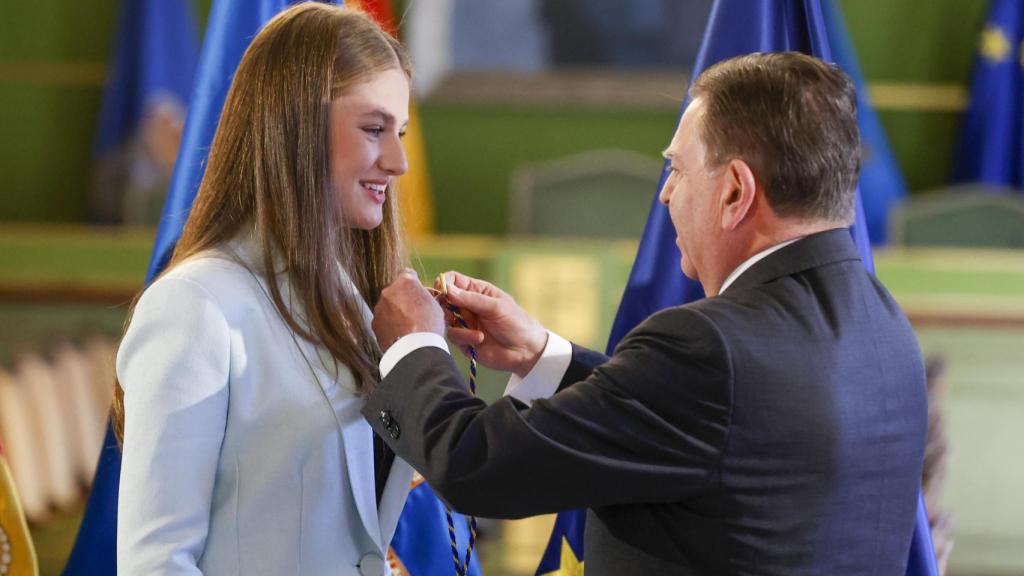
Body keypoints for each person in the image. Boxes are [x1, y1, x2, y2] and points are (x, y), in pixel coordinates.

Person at [365, 52, 928, 575]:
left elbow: (477, 466)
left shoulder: (708, 347)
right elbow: (706, 430)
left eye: (677, 171)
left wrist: (415, 345)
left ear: (735, 192)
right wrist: (542, 357)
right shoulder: (884, 327)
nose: (665, 195)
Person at [114, 4, 414, 575]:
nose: (397, 161)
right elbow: (156, 565)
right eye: (374, 129)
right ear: (295, 127)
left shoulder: (353, 302)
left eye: (399, 133)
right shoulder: (196, 307)